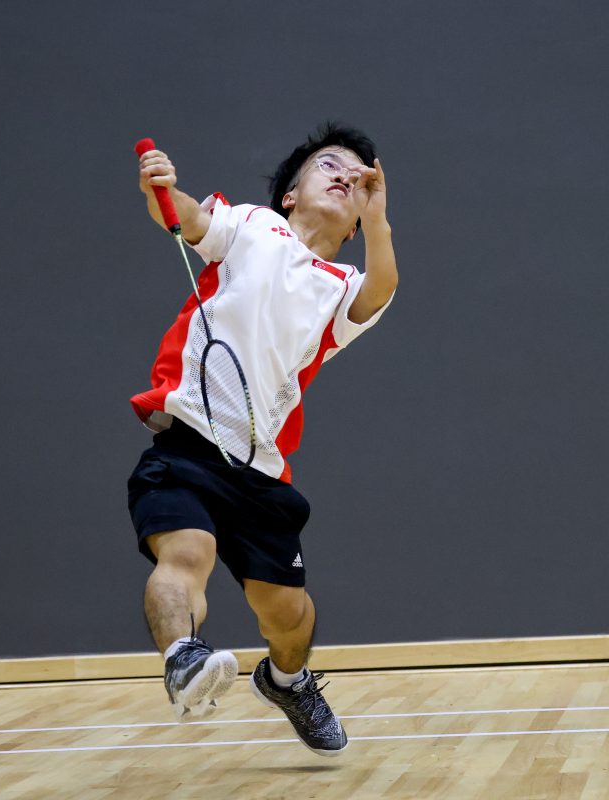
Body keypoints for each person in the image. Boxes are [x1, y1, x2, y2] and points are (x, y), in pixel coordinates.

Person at [127, 123, 397, 756]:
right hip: (188, 442)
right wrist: (160, 184)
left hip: (261, 472)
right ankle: (183, 661)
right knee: (184, 557)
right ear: (290, 195)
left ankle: (287, 681)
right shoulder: (250, 226)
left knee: (290, 618)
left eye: (358, 180)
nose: (343, 177)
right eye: (329, 165)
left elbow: (382, 287)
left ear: (358, 219)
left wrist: (380, 218)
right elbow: (186, 216)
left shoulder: (341, 290)